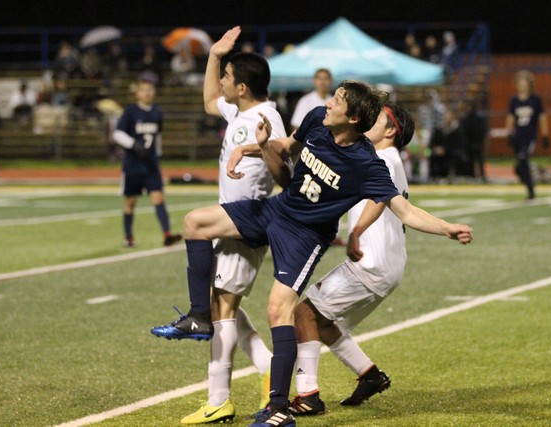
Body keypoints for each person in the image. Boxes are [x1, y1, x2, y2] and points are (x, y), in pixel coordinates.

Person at [151, 26, 473, 427]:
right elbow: (288, 148)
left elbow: (405, 211)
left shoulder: (367, 164)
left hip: (304, 237)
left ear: (352, 118)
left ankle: (278, 408)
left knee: (278, 309)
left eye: (337, 100)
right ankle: (200, 315)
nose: (328, 102)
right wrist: (255, 146)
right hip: (279, 209)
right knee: (195, 222)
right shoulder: (317, 120)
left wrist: (447, 228)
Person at [162, 28, 287, 425]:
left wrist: (259, 148)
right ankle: (268, 369)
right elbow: (207, 100)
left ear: (243, 87)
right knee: (224, 304)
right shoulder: (239, 111)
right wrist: (215, 55)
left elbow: (285, 169)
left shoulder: (267, 118)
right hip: (230, 221)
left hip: (245, 220)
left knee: (220, 309)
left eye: (228, 76)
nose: (222, 82)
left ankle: (219, 400)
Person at [288, 102, 415, 416]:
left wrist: (356, 231)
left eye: (378, 118)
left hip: (370, 263)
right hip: (385, 264)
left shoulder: (382, 158)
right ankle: (369, 375)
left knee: (303, 314)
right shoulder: (388, 159)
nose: (369, 121)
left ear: (390, 130)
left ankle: (308, 395)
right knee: (322, 321)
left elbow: (381, 201)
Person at [112, 79, 182, 247]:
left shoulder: (157, 112)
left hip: (151, 164)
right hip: (133, 164)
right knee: (131, 200)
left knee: (158, 197)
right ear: (137, 93)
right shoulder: (130, 111)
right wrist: (133, 145)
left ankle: (167, 235)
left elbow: (157, 136)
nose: (147, 93)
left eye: (150, 89)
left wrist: (157, 155)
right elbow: (117, 134)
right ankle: (129, 237)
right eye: (143, 90)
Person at [289, 68, 346, 246]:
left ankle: (330, 232)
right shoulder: (306, 101)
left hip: (333, 156)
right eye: (319, 78)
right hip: (312, 154)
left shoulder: (336, 102)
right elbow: (297, 128)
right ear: (314, 81)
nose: (322, 82)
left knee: (333, 194)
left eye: (325, 79)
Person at [505, 70, 550, 199]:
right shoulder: (514, 100)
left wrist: (545, 135)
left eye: (524, 83)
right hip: (518, 136)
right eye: (519, 83)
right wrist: (508, 133)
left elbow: (542, 117)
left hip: (529, 136)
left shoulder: (535, 100)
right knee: (519, 167)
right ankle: (529, 184)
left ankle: (531, 191)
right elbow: (510, 117)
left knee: (523, 159)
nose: (521, 85)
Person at [460, 99, 488, 182]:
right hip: (469, 142)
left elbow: (483, 130)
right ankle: (471, 175)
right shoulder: (465, 118)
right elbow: (463, 131)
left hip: (477, 141)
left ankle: (482, 175)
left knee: (480, 159)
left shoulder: (479, 118)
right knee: (470, 160)